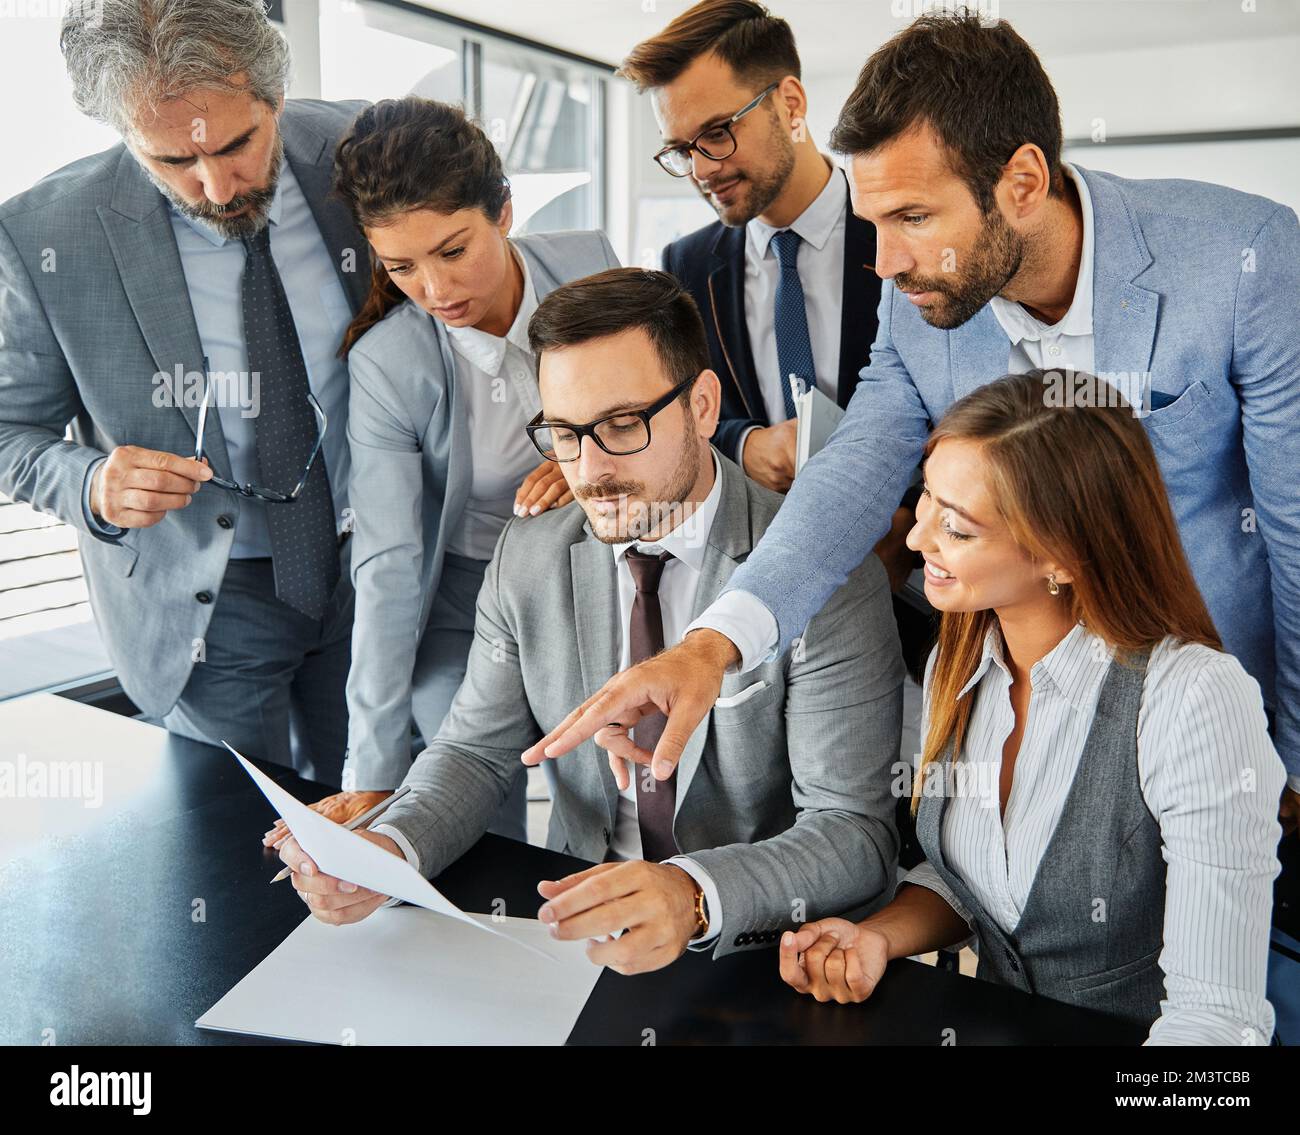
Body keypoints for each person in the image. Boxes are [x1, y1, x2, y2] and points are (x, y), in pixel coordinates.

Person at [522, 11, 1300, 844]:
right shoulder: (917, 294)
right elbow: (852, 473)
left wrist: (1288, 754)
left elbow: (1292, 531)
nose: (884, 263)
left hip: (1214, 698)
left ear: (1024, 183)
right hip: (1020, 706)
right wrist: (712, 645)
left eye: (914, 219)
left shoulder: (1242, 260)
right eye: (876, 220)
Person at [272, 268, 905, 974]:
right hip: (573, 939)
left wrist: (692, 894)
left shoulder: (822, 572)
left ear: (702, 405)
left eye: (621, 424)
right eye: (565, 433)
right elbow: (473, 754)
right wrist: (388, 853)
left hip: (760, 952)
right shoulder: (530, 552)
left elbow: (853, 833)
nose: (589, 469)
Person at [779, 371, 1284, 1046]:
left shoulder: (1194, 699)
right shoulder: (957, 661)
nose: (914, 539)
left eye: (955, 527)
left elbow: (1216, 1022)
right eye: (925, 500)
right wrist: (879, 936)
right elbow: (986, 878)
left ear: (1061, 557)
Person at [0, 0, 366, 783]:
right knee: (236, 845)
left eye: (238, 143)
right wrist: (93, 481)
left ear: (275, 91)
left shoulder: (365, 146)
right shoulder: (43, 236)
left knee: (384, 818)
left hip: (375, 563)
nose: (215, 184)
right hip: (206, 601)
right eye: (172, 162)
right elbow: (8, 433)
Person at [260, 98, 619, 845]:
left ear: (506, 213)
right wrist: (371, 772)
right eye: (401, 265)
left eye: (453, 250)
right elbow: (388, 564)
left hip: (595, 584)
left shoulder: (591, 266)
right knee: (469, 809)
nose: (434, 288)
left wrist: (588, 465)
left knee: (599, 799)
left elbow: (657, 420)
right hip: (463, 602)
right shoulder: (389, 362)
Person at [621, 0, 927, 681]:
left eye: (717, 133)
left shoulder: (901, 235)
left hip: (913, 591)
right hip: (755, 603)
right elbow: (683, 416)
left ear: (790, 102)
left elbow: (959, 404)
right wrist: (743, 443)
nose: (701, 168)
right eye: (681, 149)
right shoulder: (687, 265)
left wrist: (905, 523)